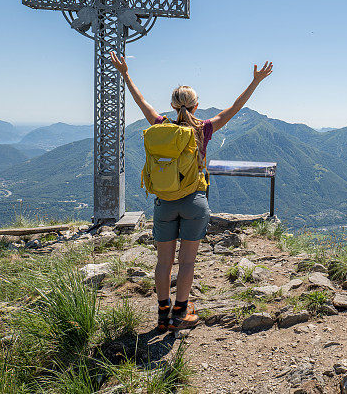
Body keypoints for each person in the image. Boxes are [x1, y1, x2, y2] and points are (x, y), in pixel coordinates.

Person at [109, 52, 273, 332]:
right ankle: (181, 312)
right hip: (195, 202)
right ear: (196, 106)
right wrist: (255, 81)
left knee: (163, 261)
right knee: (187, 261)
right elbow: (234, 108)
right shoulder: (204, 129)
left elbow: (142, 103)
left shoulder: (161, 127)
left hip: (164, 202)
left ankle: (162, 313)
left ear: (173, 106)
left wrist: (125, 74)